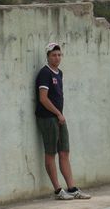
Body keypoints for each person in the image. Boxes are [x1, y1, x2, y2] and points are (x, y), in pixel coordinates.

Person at [35, 42, 90, 200]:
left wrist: (60, 115)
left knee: (64, 152)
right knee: (50, 153)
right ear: (48, 56)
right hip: (48, 118)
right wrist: (58, 113)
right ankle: (58, 190)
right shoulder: (45, 73)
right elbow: (43, 99)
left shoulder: (59, 73)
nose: (57, 58)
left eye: (59, 55)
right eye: (53, 55)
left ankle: (72, 188)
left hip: (59, 117)